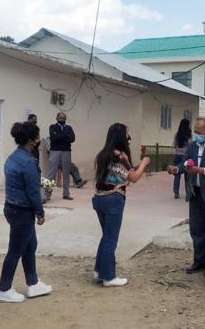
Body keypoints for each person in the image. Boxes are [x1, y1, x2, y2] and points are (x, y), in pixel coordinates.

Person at [0, 121, 52, 303]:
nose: (39, 140)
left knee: (30, 246)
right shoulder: (28, 162)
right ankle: (4, 289)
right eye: (37, 136)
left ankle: (33, 284)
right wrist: (40, 212)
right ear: (32, 140)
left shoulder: (13, 157)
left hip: (11, 207)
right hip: (22, 211)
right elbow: (33, 191)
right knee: (15, 251)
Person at [93, 123, 151, 287]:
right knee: (111, 239)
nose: (128, 138)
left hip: (99, 198)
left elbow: (125, 171)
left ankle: (99, 271)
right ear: (121, 138)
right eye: (127, 135)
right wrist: (145, 164)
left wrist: (138, 165)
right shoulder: (120, 156)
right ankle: (108, 277)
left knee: (106, 237)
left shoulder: (104, 154)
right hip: (113, 199)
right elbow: (133, 177)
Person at [168, 118, 205, 277]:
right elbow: (185, 163)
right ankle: (199, 261)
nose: (196, 135)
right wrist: (176, 169)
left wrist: (200, 170)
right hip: (195, 194)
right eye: (195, 132)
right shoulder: (192, 146)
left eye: (199, 132)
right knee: (197, 231)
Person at [45, 112, 75, 200]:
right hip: (55, 151)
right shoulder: (52, 127)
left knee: (66, 173)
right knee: (51, 173)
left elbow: (72, 139)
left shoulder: (69, 128)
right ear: (56, 118)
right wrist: (65, 136)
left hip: (66, 152)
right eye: (60, 117)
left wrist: (59, 136)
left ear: (65, 119)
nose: (62, 119)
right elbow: (53, 137)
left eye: (64, 117)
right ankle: (46, 194)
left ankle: (66, 194)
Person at [173, 119, 192, 199]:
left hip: (177, 156)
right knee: (188, 175)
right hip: (186, 156)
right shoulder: (189, 135)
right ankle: (188, 193)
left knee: (177, 174)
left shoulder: (177, 134)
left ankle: (176, 192)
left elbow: (174, 144)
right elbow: (191, 146)